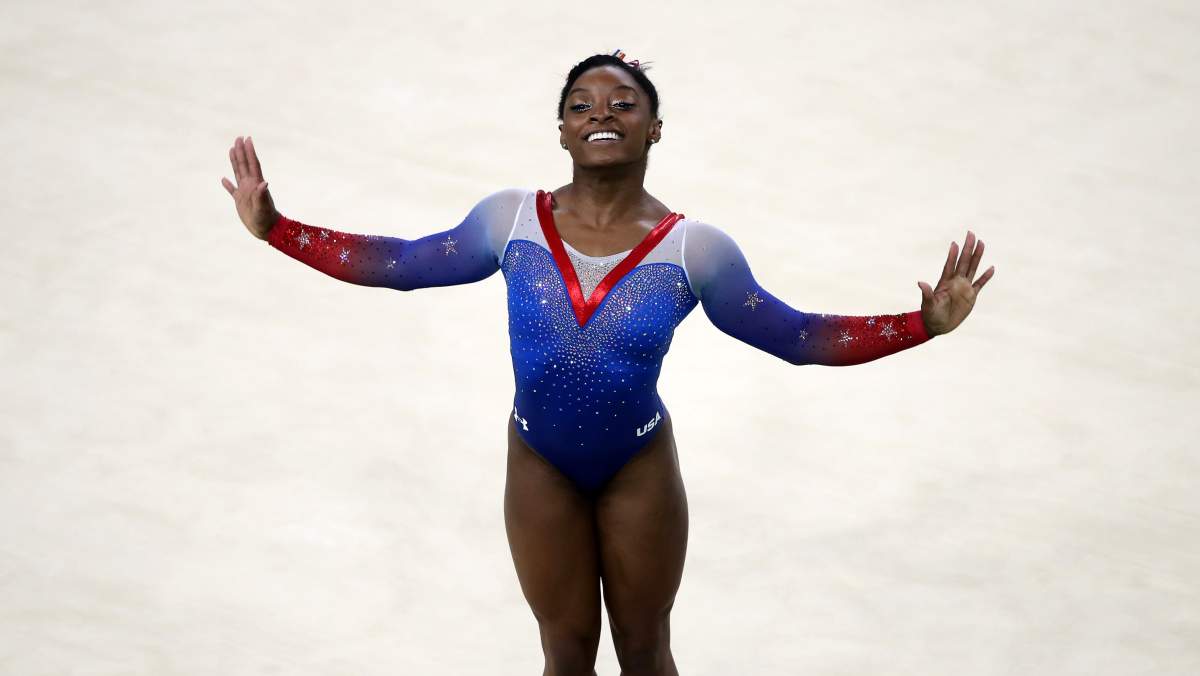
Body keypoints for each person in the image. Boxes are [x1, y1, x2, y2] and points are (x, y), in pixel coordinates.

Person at [221, 51, 995, 676]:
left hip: (637, 466)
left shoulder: (695, 250)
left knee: (645, 652)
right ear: (561, 131)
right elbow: (400, 263)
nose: (601, 114)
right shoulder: (511, 221)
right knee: (565, 657)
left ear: (655, 129)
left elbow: (794, 335)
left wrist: (920, 325)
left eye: (623, 103)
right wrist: (277, 229)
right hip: (540, 463)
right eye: (582, 104)